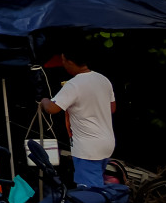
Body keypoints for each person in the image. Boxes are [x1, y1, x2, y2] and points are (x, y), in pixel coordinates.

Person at [40, 42, 116, 188]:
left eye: (63, 61)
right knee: (97, 183)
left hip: (88, 147)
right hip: (107, 142)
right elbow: (112, 108)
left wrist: (44, 100)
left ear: (69, 62)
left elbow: (52, 109)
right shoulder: (103, 79)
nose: (63, 65)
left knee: (90, 191)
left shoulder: (74, 84)